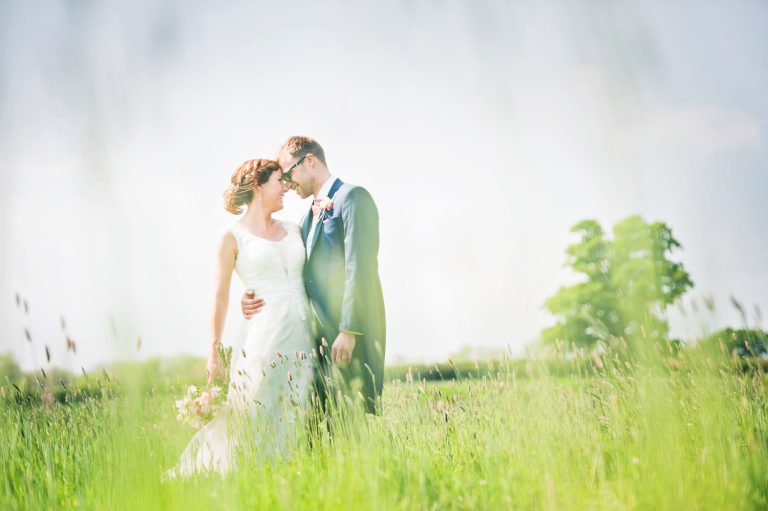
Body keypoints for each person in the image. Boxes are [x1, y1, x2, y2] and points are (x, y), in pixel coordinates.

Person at [166, 159, 316, 477]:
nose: (286, 187)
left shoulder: (294, 229)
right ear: (259, 187)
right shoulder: (231, 237)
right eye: (280, 181)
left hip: (303, 336)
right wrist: (214, 350)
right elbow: (219, 295)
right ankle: (237, 476)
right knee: (253, 412)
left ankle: (288, 477)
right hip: (263, 337)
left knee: (296, 410)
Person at [241, 136, 386, 417]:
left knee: (350, 429)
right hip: (313, 344)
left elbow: (360, 267)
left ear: (310, 161)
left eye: (288, 173)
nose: (286, 183)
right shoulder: (306, 220)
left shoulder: (353, 198)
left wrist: (349, 330)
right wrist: (255, 294)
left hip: (345, 338)